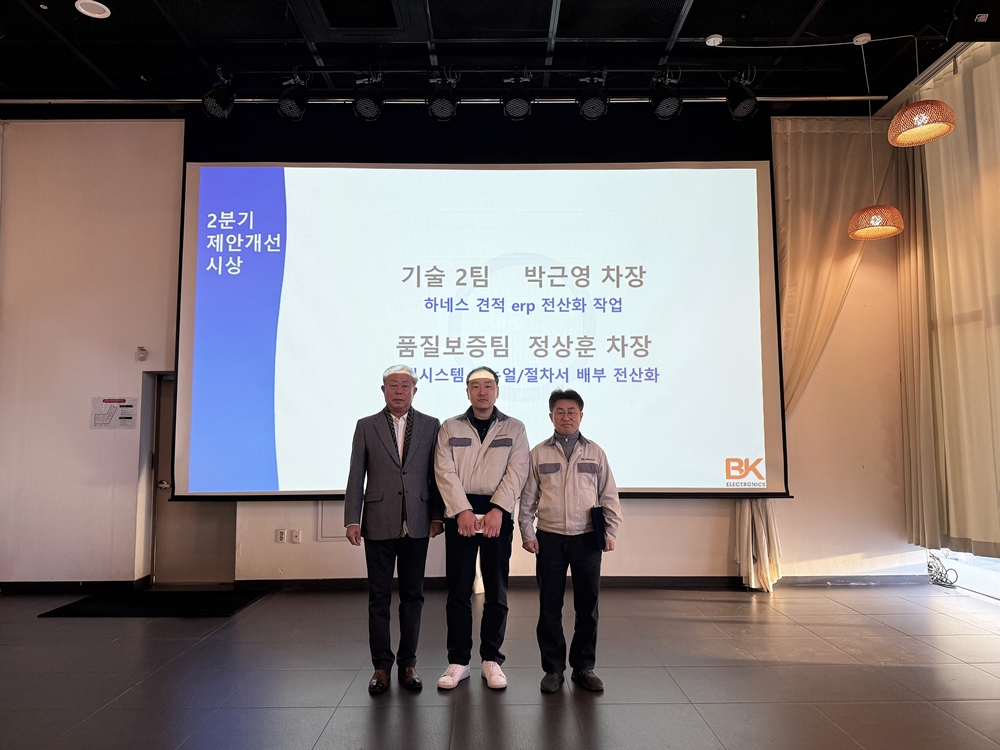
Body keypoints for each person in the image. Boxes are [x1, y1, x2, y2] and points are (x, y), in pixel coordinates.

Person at [344, 365, 443, 695]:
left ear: (415, 391)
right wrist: (352, 519)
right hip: (378, 521)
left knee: (413, 595)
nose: (399, 390)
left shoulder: (431, 425)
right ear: (383, 390)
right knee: (379, 597)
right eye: (393, 385)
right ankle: (381, 667)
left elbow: (436, 475)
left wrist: (437, 515)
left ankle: (408, 663)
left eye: (405, 385)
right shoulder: (366, 426)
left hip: (417, 521)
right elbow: (356, 474)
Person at [518, 389, 623, 693]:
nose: (566, 417)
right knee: (549, 606)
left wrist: (610, 532)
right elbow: (527, 499)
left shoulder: (595, 452)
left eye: (572, 411)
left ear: (581, 415)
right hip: (549, 538)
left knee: (587, 606)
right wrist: (527, 533)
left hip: (587, 538)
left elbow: (609, 495)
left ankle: (583, 667)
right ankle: (553, 669)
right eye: (560, 412)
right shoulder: (538, 453)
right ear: (551, 416)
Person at [434, 366, 529, 690]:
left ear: (497, 390)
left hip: (497, 515)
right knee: (458, 591)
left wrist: (499, 509)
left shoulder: (514, 428)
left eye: (488, 385)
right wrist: (461, 509)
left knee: (496, 591)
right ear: (467, 392)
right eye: (476, 386)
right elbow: (444, 471)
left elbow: (517, 470)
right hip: (459, 515)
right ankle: (459, 661)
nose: (482, 391)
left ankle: (491, 659)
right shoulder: (450, 427)